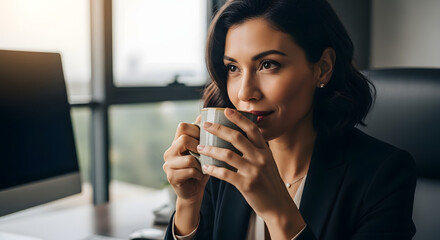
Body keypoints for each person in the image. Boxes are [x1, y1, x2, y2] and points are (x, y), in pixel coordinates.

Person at [162, 0, 417, 239]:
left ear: (323, 67)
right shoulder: (224, 161)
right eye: (233, 68)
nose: (245, 93)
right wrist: (188, 204)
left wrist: (277, 211)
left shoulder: (385, 174)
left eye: (268, 64)